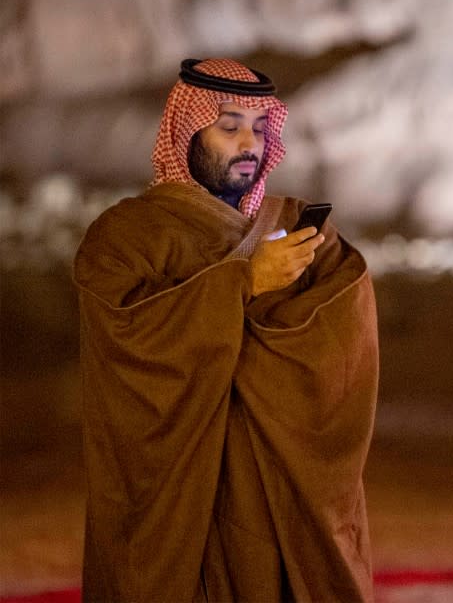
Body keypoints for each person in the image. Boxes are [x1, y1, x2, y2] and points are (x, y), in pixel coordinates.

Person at [73, 58, 379, 602]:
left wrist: (236, 335)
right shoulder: (124, 238)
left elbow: (340, 345)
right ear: (187, 132)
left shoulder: (305, 229)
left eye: (261, 129)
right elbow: (130, 348)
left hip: (273, 505)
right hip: (179, 512)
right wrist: (244, 283)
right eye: (229, 126)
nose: (250, 144)